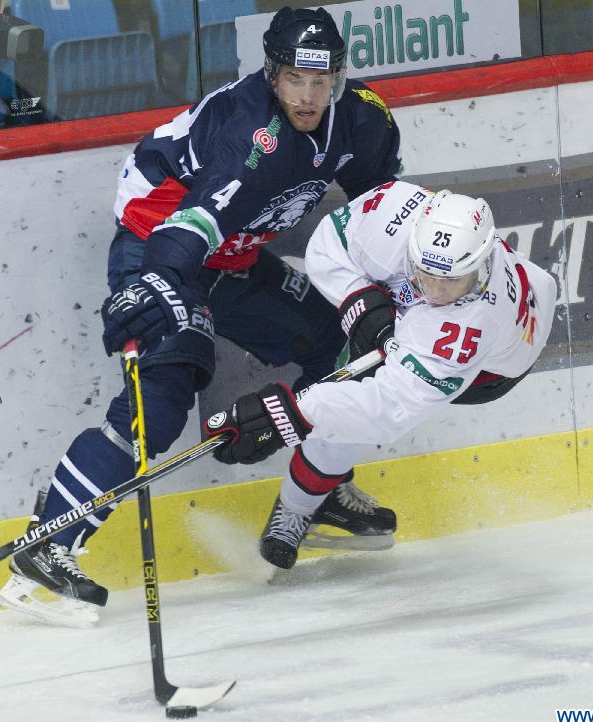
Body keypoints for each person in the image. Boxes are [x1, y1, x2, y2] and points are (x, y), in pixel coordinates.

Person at [0, 7, 402, 625]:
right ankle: (50, 544)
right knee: (158, 403)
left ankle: (319, 492)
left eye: (323, 82)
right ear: (273, 75)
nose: (310, 96)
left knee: (340, 346)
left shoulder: (360, 121)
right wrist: (155, 280)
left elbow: (384, 203)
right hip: (160, 243)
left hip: (232, 258)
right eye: (296, 79)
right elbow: (189, 226)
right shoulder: (252, 138)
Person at [203, 182, 558, 569]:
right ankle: (310, 500)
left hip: (488, 373)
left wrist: (291, 415)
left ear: (482, 264)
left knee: (355, 410)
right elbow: (329, 243)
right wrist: (362, 304)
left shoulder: (471, 328)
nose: (437, 290)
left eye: (451, 281)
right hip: (432, 322)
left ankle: (297, 507)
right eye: (426, 274)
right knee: (348, 396)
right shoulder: (398, 210)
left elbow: (385, 411)